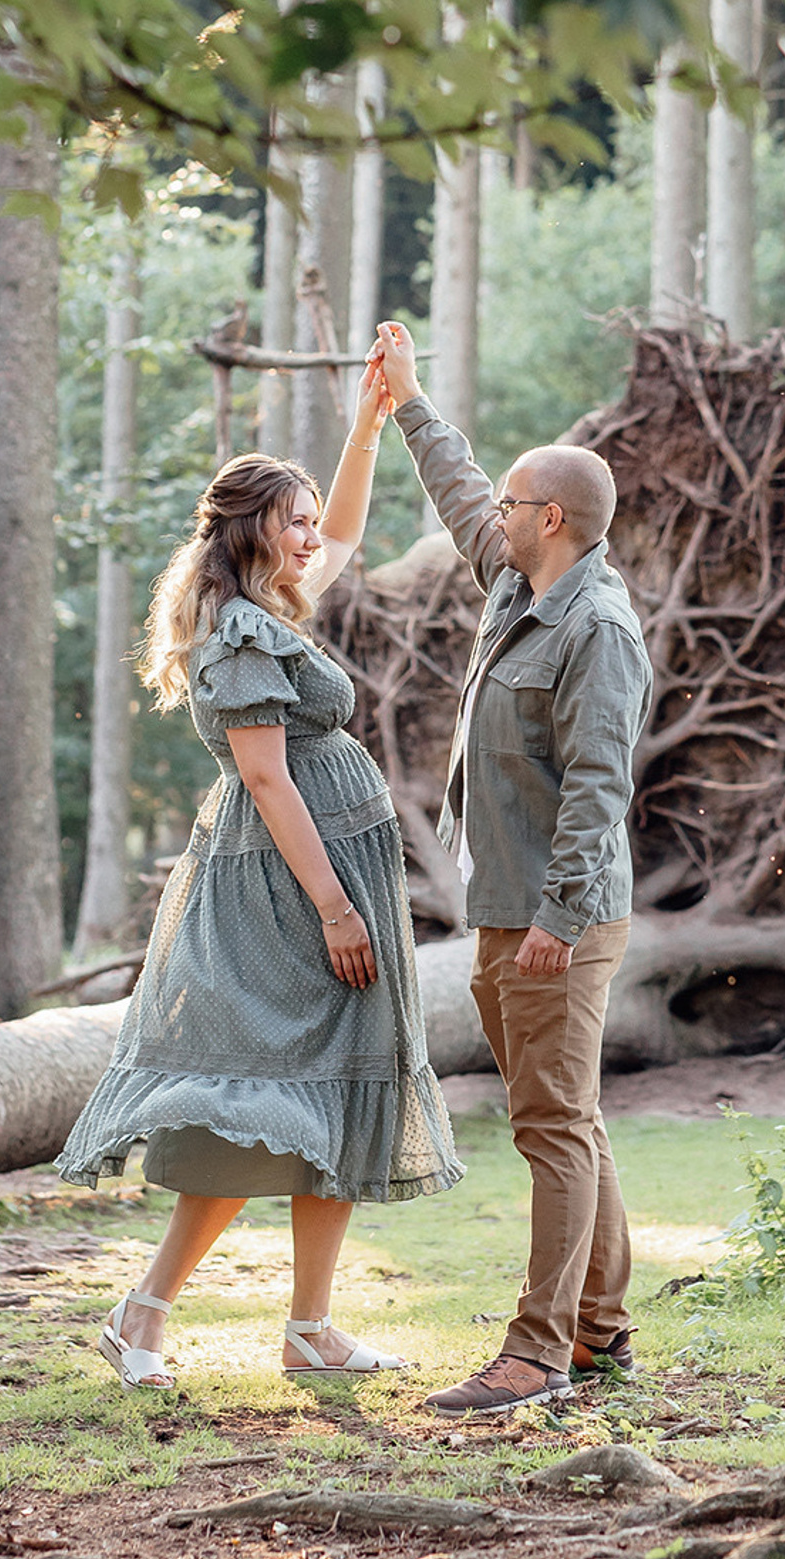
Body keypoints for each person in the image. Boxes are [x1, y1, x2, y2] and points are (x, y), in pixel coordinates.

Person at [56, 362, 463, 1392]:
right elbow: (266, 777)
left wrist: (369, 423)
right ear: (245, 530)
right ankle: (140, 1314)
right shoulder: (234, 632)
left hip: (333, 871)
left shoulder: (271, 606)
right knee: (266, 1104)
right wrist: (333, 908)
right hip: (290, 890)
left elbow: (349, 536)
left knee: (335, 1091)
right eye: (290, 520)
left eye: (306, 517)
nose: (308, 536)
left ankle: (310, 1328)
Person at [373, 321, 653, 1419]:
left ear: (553, 521)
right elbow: (460, 490)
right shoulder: (517, 583)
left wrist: (559, 916)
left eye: (513, 502)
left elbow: (596, 789)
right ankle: (598, 1331)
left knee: (545, 1127)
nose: (494, 511)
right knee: (568, 1117)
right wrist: (407, 403)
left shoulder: (597, 631)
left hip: (554, 921)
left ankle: (535, 1355)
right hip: (506, 909)